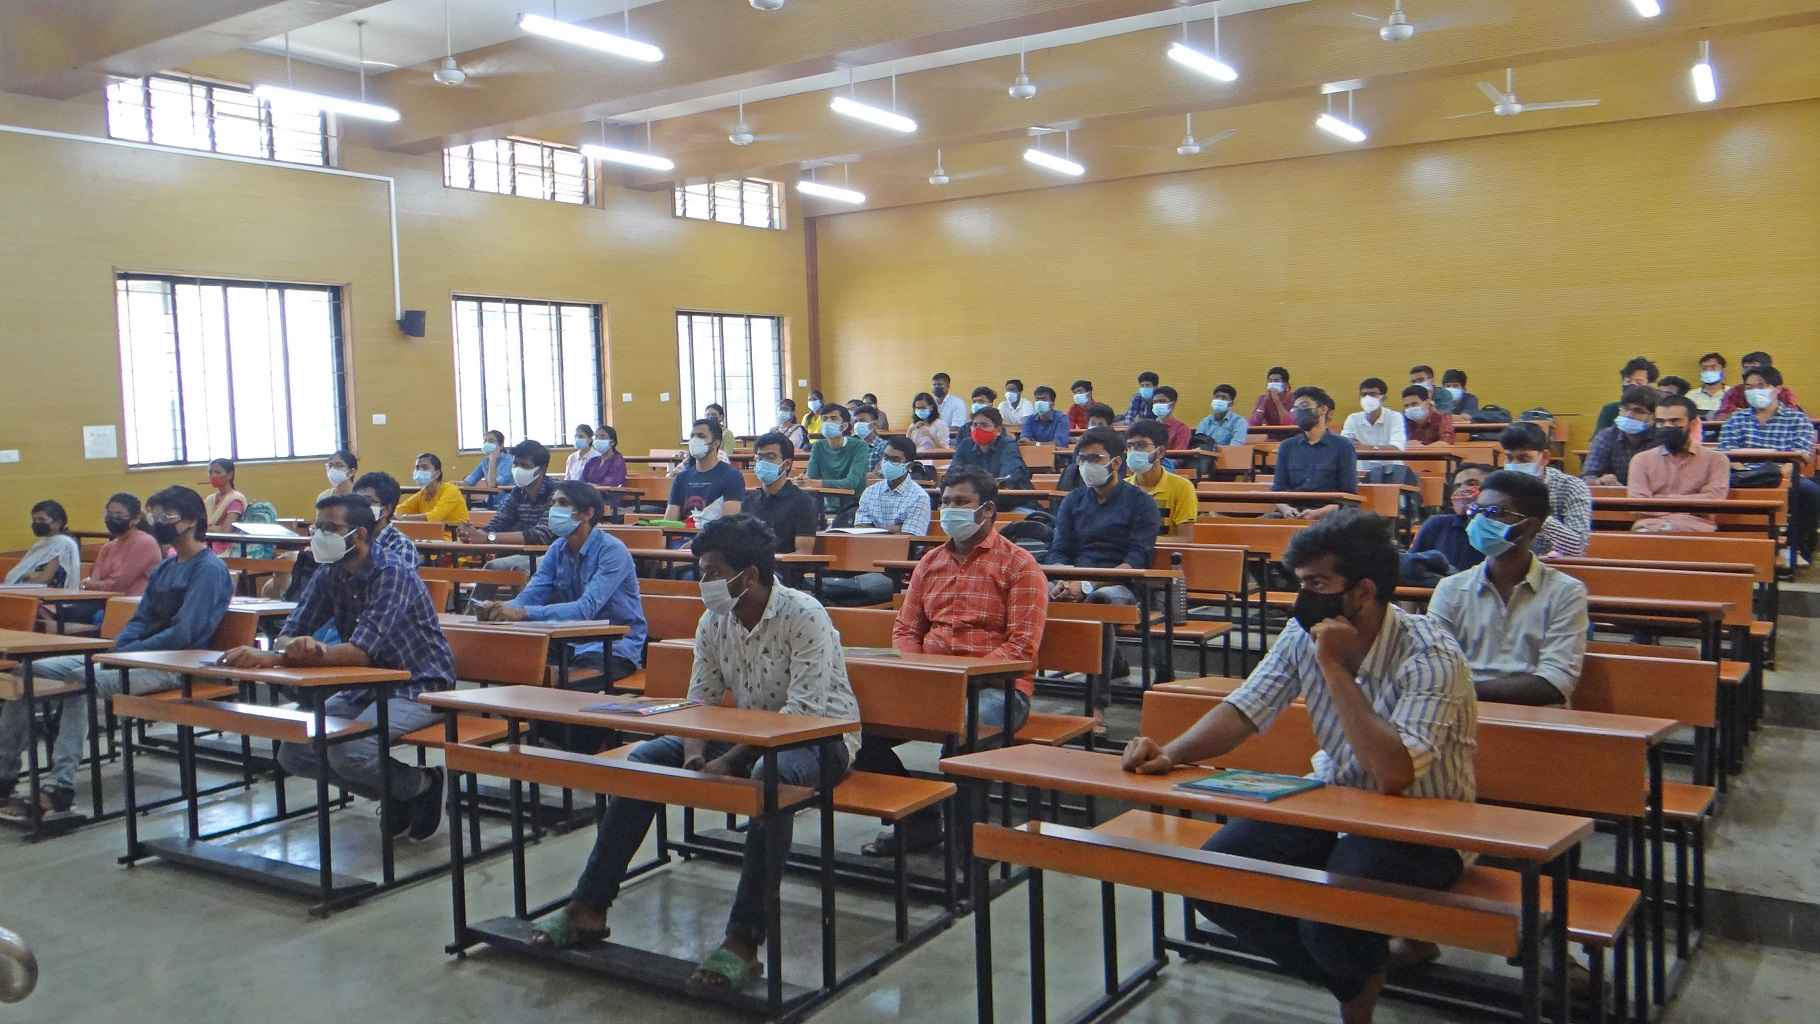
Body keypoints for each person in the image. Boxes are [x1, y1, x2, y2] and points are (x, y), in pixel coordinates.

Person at [1119, 510, 1476, 1024]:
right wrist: (1172, 753)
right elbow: (1245, 709)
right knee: (1215, 876)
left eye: (1316, 584)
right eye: (1301, 583)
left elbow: (1393, 774)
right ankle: (1358, 973)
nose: (1302, 597)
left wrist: (1334, 668)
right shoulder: (1301, 633)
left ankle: (1357, 993)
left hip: (1427, 825)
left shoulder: (1431, 654)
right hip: (1333, 800)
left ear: (1363, 591)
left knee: (1329, 911)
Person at [529, 515, 859, 992]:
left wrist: (729, 761)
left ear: (748, 574)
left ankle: (743, 939)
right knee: (646, 760)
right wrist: (693, 752)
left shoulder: (804, 614)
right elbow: (699, 700)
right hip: (748, 731)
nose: (704, 583)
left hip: (821, 737)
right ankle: (589, 906)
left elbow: (801, 714)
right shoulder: (714, 620)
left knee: (768, 776)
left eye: (711, 572)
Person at [225, 496, 450, 840]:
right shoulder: (329, 572)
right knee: (295, 752)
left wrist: (283, 657)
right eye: (317, 528)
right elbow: (290, 631)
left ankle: (425, 784)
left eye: (330, 528)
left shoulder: (392, 573)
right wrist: (292, 646)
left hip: (418, 686)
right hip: (365, 685)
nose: (319, 535)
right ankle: (402, 790)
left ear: (359, 534)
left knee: (349, 751)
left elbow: (361, 652)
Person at [0, 487, 231, 820]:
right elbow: (141, 618)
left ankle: (59, 788)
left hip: (177, 664)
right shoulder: (167, 567)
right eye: (154, 515)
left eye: (167, 516)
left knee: (80, 679)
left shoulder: (208, 569)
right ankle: (4, 775)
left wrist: (126, 652)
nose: (158, 522)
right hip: (132, 656)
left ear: (192, 520)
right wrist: (120, 646)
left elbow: (185, 634)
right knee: (26, 672)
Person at [857, 469, 1046, 854]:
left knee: (962, 732)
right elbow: (907, 628)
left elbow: (1021, 646)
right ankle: (919, 821)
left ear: (987, 510)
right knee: (851, 730)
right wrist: (920, 671)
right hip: (931, 683)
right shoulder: (930, 563)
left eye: (961, 502)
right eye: (945, 502)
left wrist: (961, 677)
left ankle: (968, 849)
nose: (950, 510)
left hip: (997, 687)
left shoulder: (1019, 565)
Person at [472, 481, 646, 751]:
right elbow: (532, 594)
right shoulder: (558, 548)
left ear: (587, 513)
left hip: (613, 646)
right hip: (567, 641)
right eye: (553, 503)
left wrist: (521, 613)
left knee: (565, 688)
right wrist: (499, 609)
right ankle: (544, 741)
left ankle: (580, 747)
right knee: (521, 671)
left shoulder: (612, 551)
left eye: (563, 504)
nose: (554, 509)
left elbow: (584, 609)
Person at [1428, 469, 1590, 710]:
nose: (1480, 521)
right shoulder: (1451, 588)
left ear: (1531, 527)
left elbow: (1554, 684)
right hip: (1459, 716)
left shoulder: (1566, 592)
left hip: (1537, 721)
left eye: (1495, 513)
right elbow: (1433, 668)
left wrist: (1462, 690)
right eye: (1477, 511)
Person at [1044, 427, 1160, 698]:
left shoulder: (1141, 503)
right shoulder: (1073, 501)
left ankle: (1098, 703)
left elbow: (1136, 559)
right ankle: (1022, 688)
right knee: (1033, 592)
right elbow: (1059, 550)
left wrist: (1087, 584)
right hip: (1073, 578)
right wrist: (1064, 580)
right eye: (1082, 459)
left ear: (1116, 462)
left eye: (1095, 459)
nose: (1087, 465)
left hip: (1122, 584)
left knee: (1099, 601)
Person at [1718, 365, 1817, 565]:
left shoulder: (1797, 419)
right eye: (1749, 387)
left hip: (1783, 476)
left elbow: (1799, 456)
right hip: (1743, 476)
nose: (1754, 391)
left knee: (1811, 493)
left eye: (1761, 386)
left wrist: (1778, 475)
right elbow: (1726, 453)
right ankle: (1733, 547)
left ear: (1777, 389)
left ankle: (1795, 547)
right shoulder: (1736, 418)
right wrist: (1746, 473)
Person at [823, 438, 933, 607]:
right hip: (861, 560)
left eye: (895, 460)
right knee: (824, 581)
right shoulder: (870, 492)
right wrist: (893, 529)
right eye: (886, 457)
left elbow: (908, 540)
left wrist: (878, 529)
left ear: (909, 465)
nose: (887, 463)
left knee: (848, 589)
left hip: (895, 571)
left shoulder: (919, 498)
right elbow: (861, 530)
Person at [457, 440, 559, 599]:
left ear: (542, 469)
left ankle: (483, 611)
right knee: (499, 564)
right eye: (515, 464)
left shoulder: (557, 493)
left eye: (524, 465)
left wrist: (488, 538)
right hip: (520, 553)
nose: (518, 470)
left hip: (550, 554)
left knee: (495, 566)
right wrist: (474, 533)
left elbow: (540, 535)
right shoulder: (518, 492)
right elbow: (499, 522)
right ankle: (478, 611)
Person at [1629, 395, 1729, 532]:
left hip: (1696, 529)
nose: (1667, 426)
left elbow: (1713, 501)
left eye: (1675, 421)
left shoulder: (1717, 460)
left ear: (1692, 424)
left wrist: (1659, 499)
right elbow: (1637, 506)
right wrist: (1690, 503)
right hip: (1649, 528)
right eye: (1660, 422)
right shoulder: (1641, 460)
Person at [1499, 422, 1591, 557]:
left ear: (1545, 457)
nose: (1514, 465)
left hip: (1555, 565)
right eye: (1509, 458)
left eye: (1524, 458)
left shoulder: (1572, 487)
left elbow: (1577, 547)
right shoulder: (1498, 487)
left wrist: (1537, 515)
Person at [1273, 387, 1358, 520]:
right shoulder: (1287, 446)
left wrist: (1318, 513)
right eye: (1295, 408)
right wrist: (1286, 509)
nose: (1299, 412)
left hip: (1328, 514)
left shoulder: (1343, 446)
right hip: (1292, 512)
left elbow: (1349, 496)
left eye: (1304, 406)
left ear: (1323, 409)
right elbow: (1277, 491)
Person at [743, 432, 820, 554]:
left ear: (787, 464)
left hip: (783, 565)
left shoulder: (804, 502)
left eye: (770, 457)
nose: (763, 462)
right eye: (760, 458)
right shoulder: (747, 501)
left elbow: (803, 553)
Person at [1409, 464, 1494, 572]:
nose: (1462, 490)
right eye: (1457, 486)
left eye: (1472, 484)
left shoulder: (1499, 529)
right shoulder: (1436, 524)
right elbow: (1411, 567)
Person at [85, 492, 162, 605]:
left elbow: (118, 584)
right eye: (109, 514)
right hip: (102, 602)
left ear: (136, 519)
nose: (113, 518)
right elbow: (94, 580)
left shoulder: (145, 542)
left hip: (130, 606)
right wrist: (92, 585)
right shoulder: (108, 546)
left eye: (119, 515)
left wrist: (90, 585)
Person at [664, 420, 746, 523]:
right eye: (692, 436)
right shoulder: (681, 478)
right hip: (684, 532)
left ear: (716, 443)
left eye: (701, 436)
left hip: (714, 533)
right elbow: (669, 522)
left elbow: (729, 523)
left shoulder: (732, 476)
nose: (694, 440)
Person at [1126, 420, 1197, 533]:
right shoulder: (1121, 488)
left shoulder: (1182, 487)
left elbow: (1185, 538)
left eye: (1141, 445)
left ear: (1160, 452)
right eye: (1129, 446)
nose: (1133, 451)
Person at [1582, 385, 1660, 486]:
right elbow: (1587, 477)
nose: (1629, 415)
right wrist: (1600, 481)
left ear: (1653, 417)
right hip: (1614, 494)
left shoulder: (1661, 438)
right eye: (1625, 409)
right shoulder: (1606, 436)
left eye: (1638, 411)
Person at [948, 407, 1031, 492]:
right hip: (973, 495)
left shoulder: (1007, 444)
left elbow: (1010, 474)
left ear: (998, 430)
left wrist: (980, 485)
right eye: (975, 425)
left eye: (984, 425)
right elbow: (953, 471)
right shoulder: (965, 444)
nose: (978, 429)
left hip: (1008, 496)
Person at [1341, 378, 1407, 477]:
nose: (1368, 398)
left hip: (1392, 472)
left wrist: (1367, 448)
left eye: (1372, 394)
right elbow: (1345, 445)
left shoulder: (1395, 417)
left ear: (1383, 398)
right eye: (1364, 395)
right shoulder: (1353, 418)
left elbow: (1396, 449)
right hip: (1361, 472)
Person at [6, 501, 79, 588]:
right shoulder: (41, 543)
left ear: (58, 523)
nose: (37, 523)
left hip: (49, 593)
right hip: (29, 590)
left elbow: (44, 579)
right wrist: (27, 576)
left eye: (42, 519)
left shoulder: (63, 543)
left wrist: (25, 578)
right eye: (34, 520)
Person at [352, 472, 419, 567]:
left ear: (386, 509)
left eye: (366, 501)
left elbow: (397, 576)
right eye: (355, 501)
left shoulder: (401, 545)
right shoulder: (349, 537)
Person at [803, 403, 869, 497]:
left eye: (833, 418)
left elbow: (851, 483)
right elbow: (811, 477)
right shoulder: (818, 446)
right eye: (824, 419)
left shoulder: (860, 446)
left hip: (852, 500)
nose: (828, 422)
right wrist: (803, 480)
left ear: (844, 426)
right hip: (823, 499)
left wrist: (817, 483)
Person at [1716, 351, 1802, 418]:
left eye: (1754, 367)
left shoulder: (1783, 392)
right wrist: (1742, 414)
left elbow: (1791, 414)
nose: (1749, 371)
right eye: (1746, 368)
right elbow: (1721, 416)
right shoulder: (1735, 391)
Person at [1056, 403, 1119, 491]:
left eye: (1100, 424)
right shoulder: (1081, 445)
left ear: (1110, 427)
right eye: (1093, 423)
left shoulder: (1116, 445)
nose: (1095, 427)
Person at [397, 453, 469, 523]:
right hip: (432, 530)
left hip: (455, 531)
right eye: (417, 467)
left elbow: (435, 517)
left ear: (437, 473)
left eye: (425, 467)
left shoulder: (451, 491)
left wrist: (404, 517)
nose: (419, 471)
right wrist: (394, 514)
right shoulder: (423, 493)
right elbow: (400, 509)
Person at [1594, 357, 1659, 433]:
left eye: (1639, 382)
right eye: (1628, 381)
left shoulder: (1661, 412)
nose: (1632, 385)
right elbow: (1598, 438)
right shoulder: (1611, 409)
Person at [202, 458, 246, 553]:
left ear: (230, 475)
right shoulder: (210, 499)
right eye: (210, 472)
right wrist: (213, 528)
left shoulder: (235, 499)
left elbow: (225, 532)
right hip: (206, 541)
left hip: (225, 547)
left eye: (217, 472)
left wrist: (207, 528)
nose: (213, 476)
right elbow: (200, 526)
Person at [463, 429, 515, 508]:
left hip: (507, 503)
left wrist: (492, 459)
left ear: (501, 445)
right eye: (485, 441)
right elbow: (469, 481)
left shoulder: (509, 461)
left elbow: (492, 485)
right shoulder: (485, 461)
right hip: (491, 503)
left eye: (491, 441)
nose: (487, 443)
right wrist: (453, 484)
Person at [1151, 386, 1192, 450]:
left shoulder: (1181, 429)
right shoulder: (1149, 426)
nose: (1157, 404)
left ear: (1172, 404)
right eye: (1155, 402)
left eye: (1162, 401)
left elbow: (1178, 453)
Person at [852, 405, 889, 471]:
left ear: (875, 424)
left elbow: (878, 474)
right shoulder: (851, 445)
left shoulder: (884, 446)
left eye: (862, 421)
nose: (857, 424)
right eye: (855, 421)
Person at [1690, 353, 1728, 418]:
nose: (1708, 371)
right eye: (1704, 368)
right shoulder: (1691, 396)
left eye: (1713, 367)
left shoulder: (1733, 394)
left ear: (1723, 370)